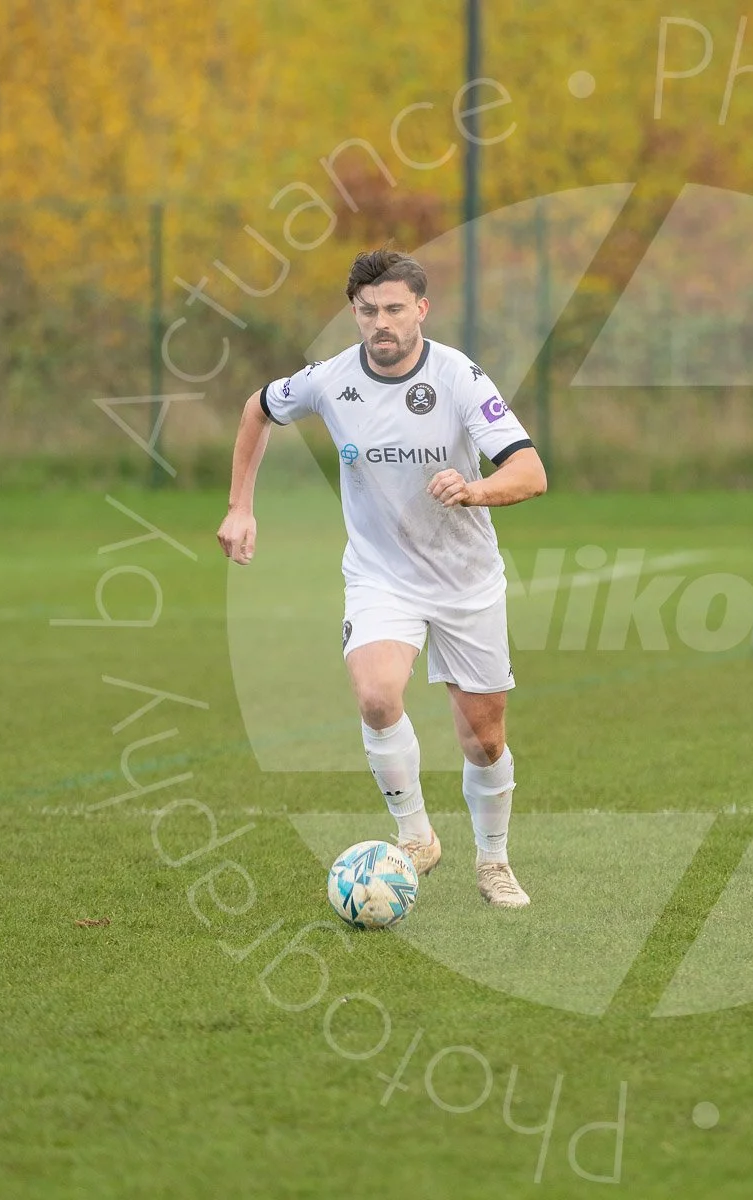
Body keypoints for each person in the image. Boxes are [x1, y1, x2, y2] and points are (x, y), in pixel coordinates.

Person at [216, 248, 547, 908]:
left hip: (465, 579)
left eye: (394, 309)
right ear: (354, 314)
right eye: (368, 312)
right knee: (374, 694)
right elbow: (257, 409)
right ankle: (416, 835)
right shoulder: (330, 380)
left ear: (421, 309)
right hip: (380, 576)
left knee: (483, 739)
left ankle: (493, 859)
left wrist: (476, 490)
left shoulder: (458, 378)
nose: (381, 323)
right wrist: (240, 505)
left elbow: (531, 473)